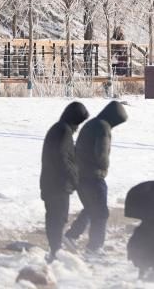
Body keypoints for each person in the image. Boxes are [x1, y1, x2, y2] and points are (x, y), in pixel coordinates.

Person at [67, 101, 128, 253]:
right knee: (101, 212)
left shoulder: (93, 123)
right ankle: (94, 247)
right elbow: (101, 153)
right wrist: (104, 167)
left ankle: (71, 236)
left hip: (81, 173)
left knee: (91, 208)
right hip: (93, 175)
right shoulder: (103, 127)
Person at [40, 101, 90, 262]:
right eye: (79, 122)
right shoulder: (62, 131)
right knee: (57, 218)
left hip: (53, 182)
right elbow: (62, 158)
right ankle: (55, 251)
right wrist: (74, 177)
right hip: (57, 184)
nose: (79, 127)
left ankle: (55, 250)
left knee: (57, 217)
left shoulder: (60, 129)